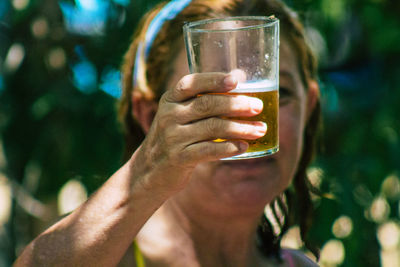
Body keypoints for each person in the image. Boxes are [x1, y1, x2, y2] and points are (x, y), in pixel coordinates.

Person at [14, 0, 321, 266]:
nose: (243, 124)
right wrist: (143, 176)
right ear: (150, 117)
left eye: (281, 92)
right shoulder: (97, 258)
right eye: (211, 99)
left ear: (309, 108)